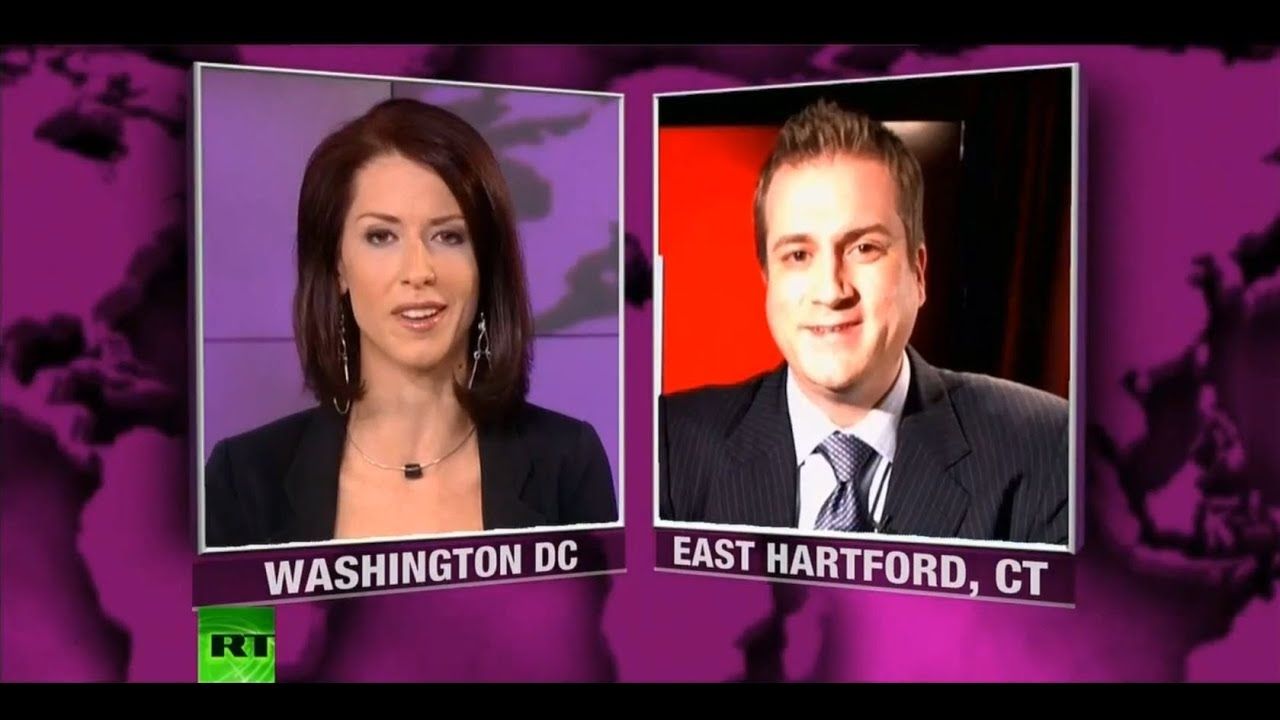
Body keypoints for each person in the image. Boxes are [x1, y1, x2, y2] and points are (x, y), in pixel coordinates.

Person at [204, 98, 617, 549]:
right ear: (338, 266)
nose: (418, 271)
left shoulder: (566, 463)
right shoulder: (244, 479)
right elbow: (214, 603)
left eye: (448, 236)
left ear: (483, 264)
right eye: (381, 236)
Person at [657, 99, 1069, 545]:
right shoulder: (668, 447)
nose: (831, 290)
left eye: (864, 248)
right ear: (768, 281)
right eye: (798, 255)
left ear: (918, 273)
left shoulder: (1044, 447)